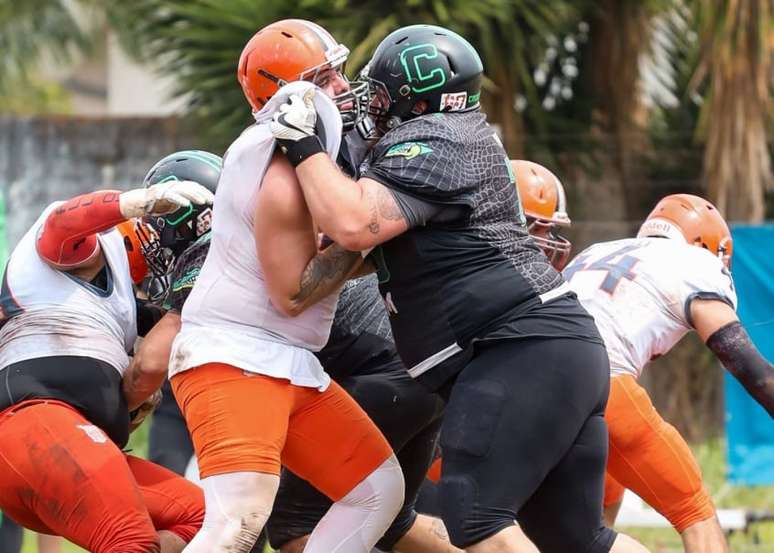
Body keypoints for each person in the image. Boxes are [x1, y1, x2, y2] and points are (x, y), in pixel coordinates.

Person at [270, 23, 650, 553]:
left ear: (417, 101)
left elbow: (354, 223)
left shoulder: (440, 139)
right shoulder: (451, 136)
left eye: (380, 94)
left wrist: (304, 145)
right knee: (577, 539)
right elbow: (358, 249)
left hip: (519, 350)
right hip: (549, 349)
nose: (368, 104)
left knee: (477, 518)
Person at [164, 20, 404, 552]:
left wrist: (372, 240)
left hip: (284, 358)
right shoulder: (277, 166)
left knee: (376, 490)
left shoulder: (293, 160)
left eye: (340, 73)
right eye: (326, 78)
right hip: (236, 358)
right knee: (237, 522)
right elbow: (293, 293)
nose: (342, 88)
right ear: (289, 97)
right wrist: (371, 236)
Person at [0, 177, 212, 552]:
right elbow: (62, 225)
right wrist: (132, 203)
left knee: (203, 520)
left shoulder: (122, 305)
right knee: (130, 540)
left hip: (73, 443)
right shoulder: (89, 246)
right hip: (34, 426)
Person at [563, 193, 774, 553]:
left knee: (583, 519)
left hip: (528, 382)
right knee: (695, 513)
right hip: (601, 384)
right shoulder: (695, 262)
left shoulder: (592, 253)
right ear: (704, 245)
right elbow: (748, 366)